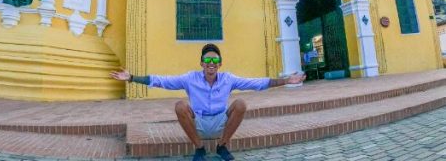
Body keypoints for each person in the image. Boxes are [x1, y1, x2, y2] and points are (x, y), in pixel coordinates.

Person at [110, 43, 306, 161]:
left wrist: (286, 80)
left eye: (215, 61)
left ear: (220, 64)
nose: (211, 65)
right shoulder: (190, 78)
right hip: (199, 123)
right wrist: (132, 77)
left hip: (221, 123)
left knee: (241, 104)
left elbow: (257, 83)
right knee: (180, 106)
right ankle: (199, 148)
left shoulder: (228, 79)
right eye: (207, 60)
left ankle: (222, 146)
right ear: (201, 63)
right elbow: (162, 80)